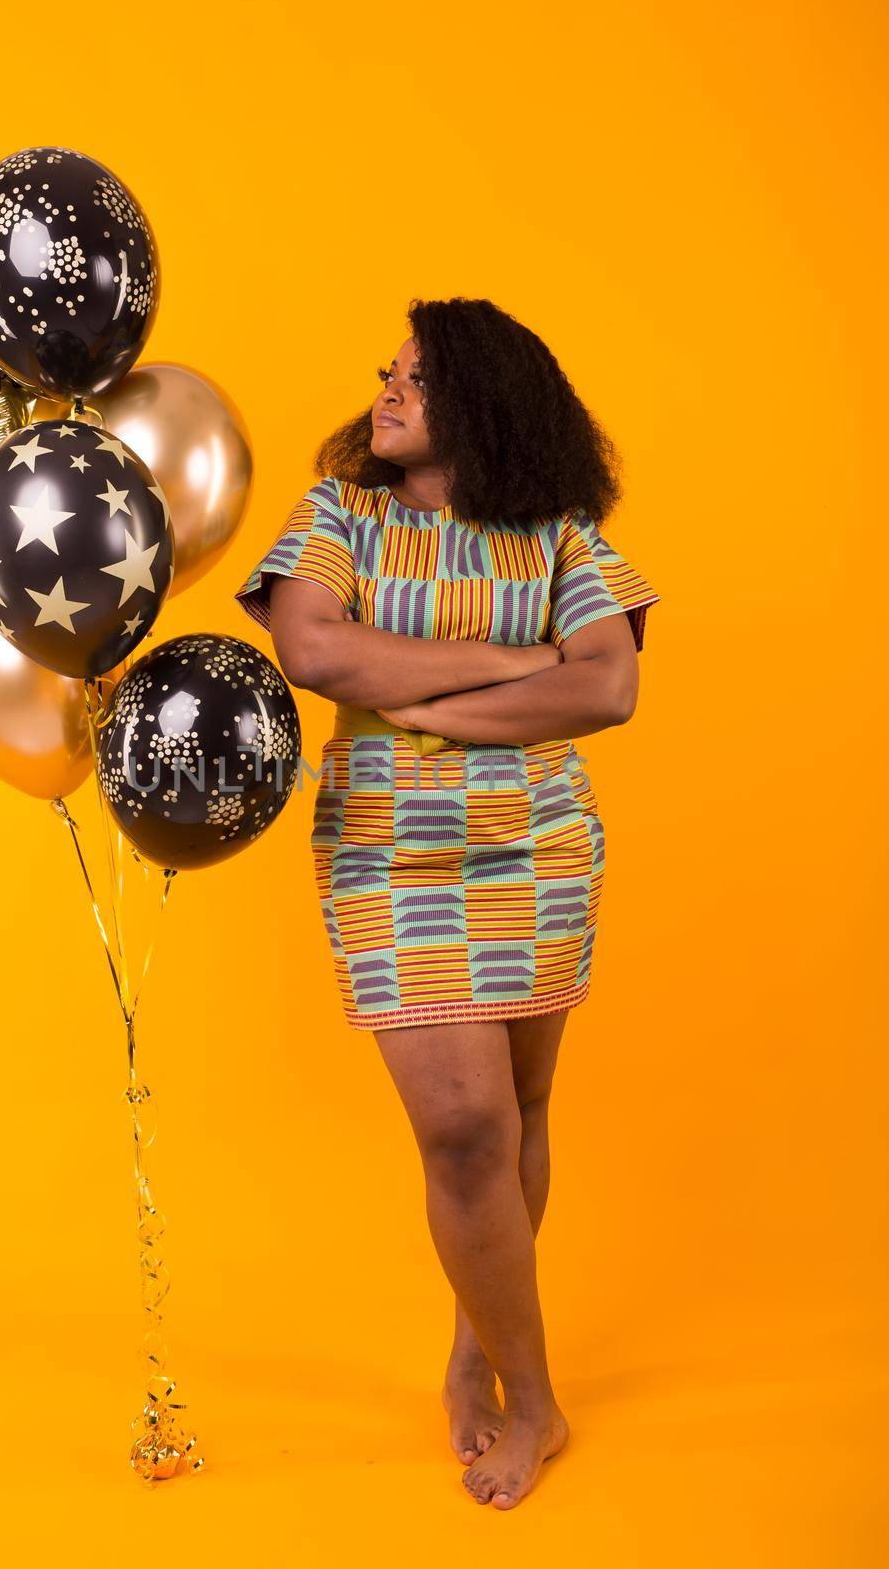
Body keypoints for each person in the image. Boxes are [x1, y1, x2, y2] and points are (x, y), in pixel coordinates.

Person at [233, 296, 661, 1511]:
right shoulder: (338, 516)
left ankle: (476, 1358)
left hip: (535, 852)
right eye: (386, 371)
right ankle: (538, 1403)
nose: (386, 390)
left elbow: (610, 689)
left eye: (415, 378)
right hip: (385, 854)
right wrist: (525, 663)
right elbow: (317, 656)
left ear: (482, 399)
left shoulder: (560, 536)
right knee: (464, 1128)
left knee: (520, 1112)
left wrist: (413, 699)